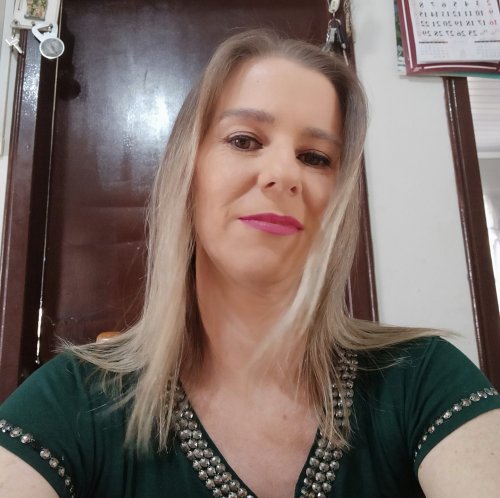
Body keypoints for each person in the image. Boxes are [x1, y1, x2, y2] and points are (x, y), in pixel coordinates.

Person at [0, 29, 499, 498]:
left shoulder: (423, 376)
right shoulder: (70, 399)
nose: (284, 174)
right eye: (244, 140)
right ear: (187, 173)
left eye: (316, 157)